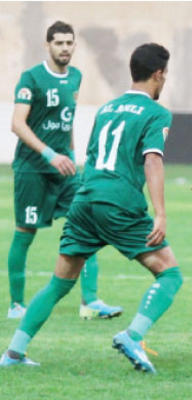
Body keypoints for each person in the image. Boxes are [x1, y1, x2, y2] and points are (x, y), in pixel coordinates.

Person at [1, 43, 182, 374]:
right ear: (158, 74)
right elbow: (152, 160)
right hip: (119, 201)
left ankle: (13, 353)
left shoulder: (107, 109)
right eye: (166, 74)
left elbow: (94, 154)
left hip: (84, 199)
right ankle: (132, 336)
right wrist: (160, 213)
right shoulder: (157, 113)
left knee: (59, 282)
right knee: (170, 273)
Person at [7, 21, 122, 320]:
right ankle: (16, 305)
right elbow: (17, 124)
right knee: (25, 232)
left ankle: (90, 301)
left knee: (88, 225)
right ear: (47, 45)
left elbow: (66, 119)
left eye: (69, 43)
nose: (65, 48)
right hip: (33, 169)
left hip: (65, 170)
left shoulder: (75, 77)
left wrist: (70, 155)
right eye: (59, 43)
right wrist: (50, 154)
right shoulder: (31, 78)